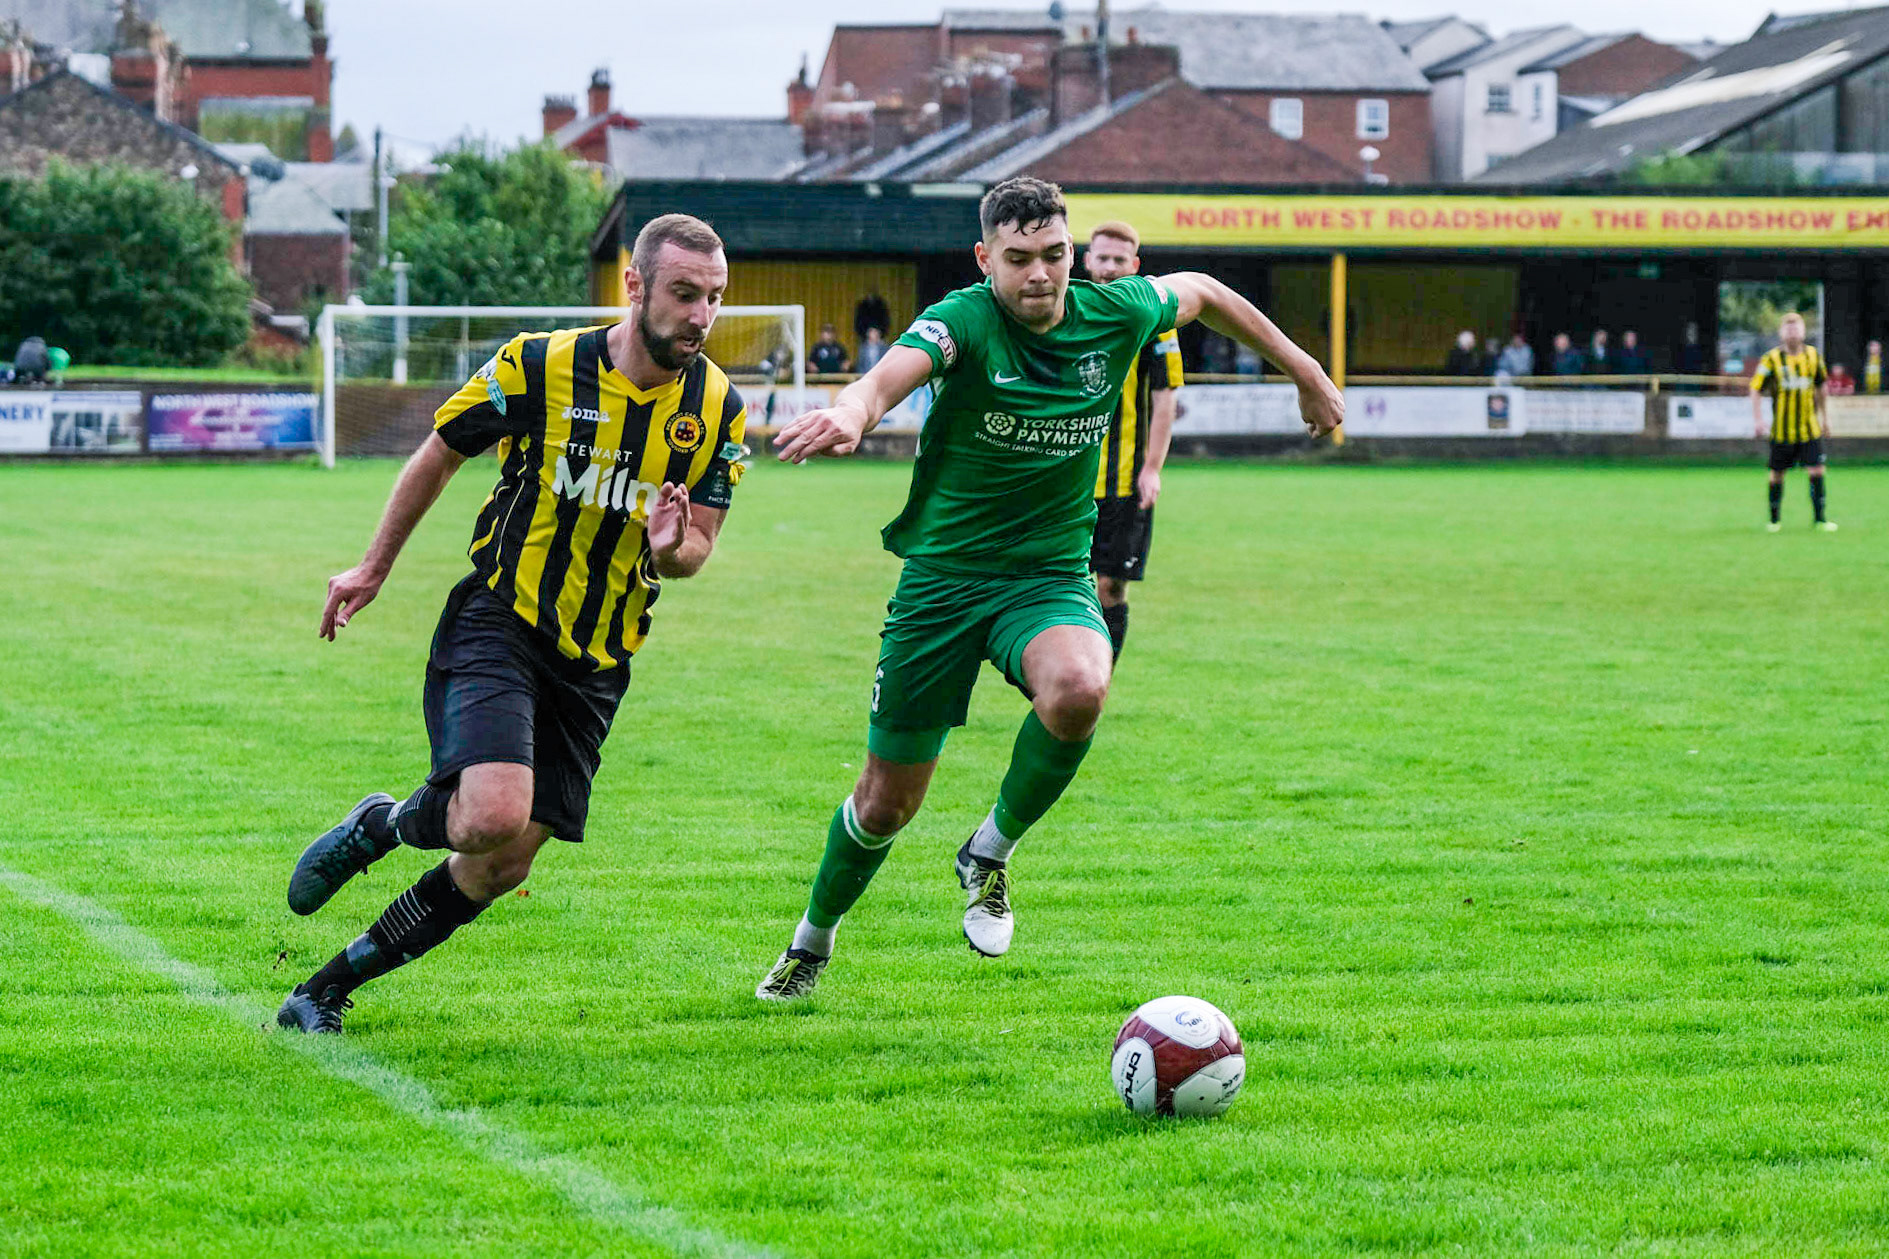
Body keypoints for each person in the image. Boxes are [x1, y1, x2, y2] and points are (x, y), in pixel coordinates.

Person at [754, 176, 1342, 999]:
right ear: (983, 258)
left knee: (1080, 687)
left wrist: (1306, 371)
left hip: (1045, 576)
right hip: (942, 586)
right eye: (1019, 258)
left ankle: (988, 851)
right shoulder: (964, 319)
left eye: (1055, 255)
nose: (1040, 275)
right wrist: (856, 411)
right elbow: (892, 373)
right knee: (885, 803)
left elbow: (1203, 291)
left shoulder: (1114, 312)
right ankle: (811, 940)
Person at [276, 214, 749, 1034]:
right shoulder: (539, 364)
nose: (700, 317)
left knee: (499, 862)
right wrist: (374, 565)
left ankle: (320, 990)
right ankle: (381, 825)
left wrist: (674, 548)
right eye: (683, 294)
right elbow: (440, 450)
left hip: (599, 656)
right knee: (490, 811)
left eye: (714, 298)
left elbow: (694, 548)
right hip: (505, 615)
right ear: (633, 286)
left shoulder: (719, 407)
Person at [1080, 219, 1182, 661]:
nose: (1109, 268)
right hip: (1071, 482)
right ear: (1086, 261)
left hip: (1125, 481)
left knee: (1111, 585)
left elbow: (1165, 399)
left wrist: (1153, 469)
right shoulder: (1067, 312)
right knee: (1063, 585)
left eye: (1119, 260)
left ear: (1135, 265)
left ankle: (1099, 677)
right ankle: (1062, 676)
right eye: (1102, 258)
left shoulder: (1155, 323)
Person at [1750, 311, 1835, 533]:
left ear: (1804, 331)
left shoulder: (1814, 357)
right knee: (1777, 473)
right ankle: (1774, 520)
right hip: (1782, 430)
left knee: (1817, 470)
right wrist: (1758, 420)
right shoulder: (1771, 359)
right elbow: (1755, 388)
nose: (1792, 332)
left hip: (1809, 428)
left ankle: (1820, 520)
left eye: (1796, 327)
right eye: (1788, 328)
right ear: (1781, 333)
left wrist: (1826, 419)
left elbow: (1821, 389)